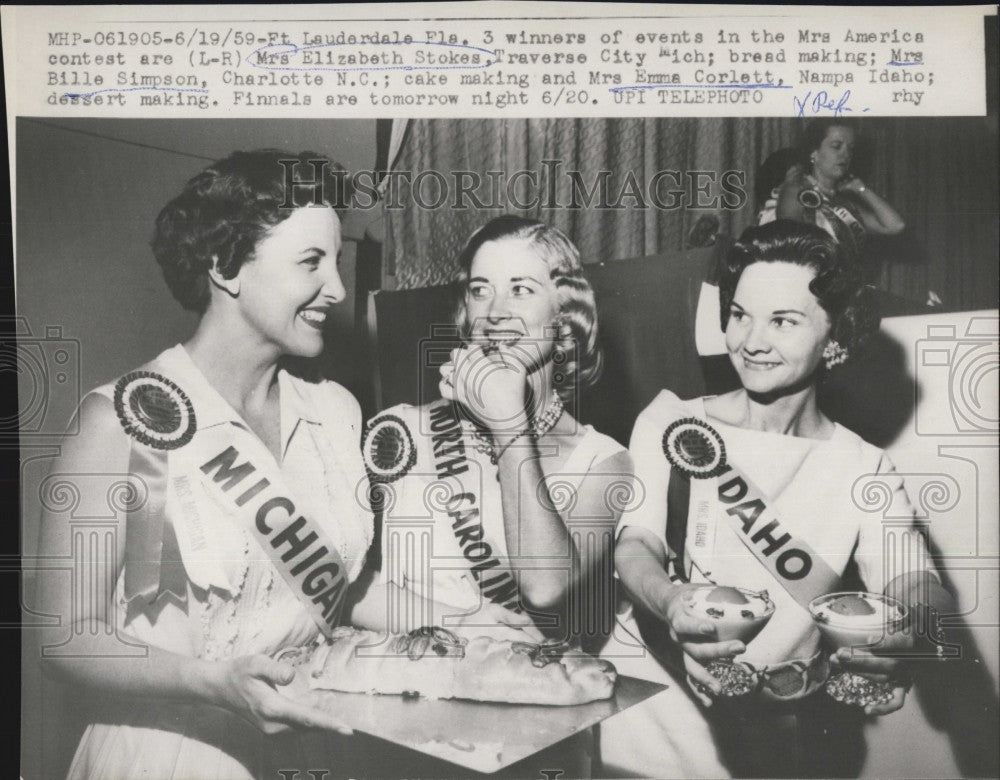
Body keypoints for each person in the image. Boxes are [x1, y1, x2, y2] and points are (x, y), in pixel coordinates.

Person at [36, 150, 373, 779]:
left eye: (338, 261)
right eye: (311, 262)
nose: (339, 289)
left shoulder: (337, 412)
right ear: (225, 267)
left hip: (307, 747)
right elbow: (64, 635)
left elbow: (342, 588)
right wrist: (213, 683)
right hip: (171, 754)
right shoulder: (124, 419)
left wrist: (478, 625)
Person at [600, 220, 953, 778]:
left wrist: (912, 637)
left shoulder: (863, 465)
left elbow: (914, 580)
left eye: (782, 321)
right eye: (740, 314)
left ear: (835, 337)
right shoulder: (673, 421)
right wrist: (671, 603)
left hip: (776, 732)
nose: (750, 341)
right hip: (654, 716)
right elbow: (634, 544)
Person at [351, 216, 633, 650]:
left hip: (525, 696)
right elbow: (344, 587)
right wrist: (461, 624)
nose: (495, 311)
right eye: (481, 290)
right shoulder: (402, 430)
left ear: (563, 315)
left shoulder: (602, 461)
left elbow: (545, 589)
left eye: (521, 289)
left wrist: (508, 426)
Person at [757, 120, 906, 259]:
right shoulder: (795, 188)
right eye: (836, 146)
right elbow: (789, 239)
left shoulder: (845, 203)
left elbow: (894, 226)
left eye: (850, 148)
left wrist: (861, 188)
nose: (846, 154)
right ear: (814, 152)